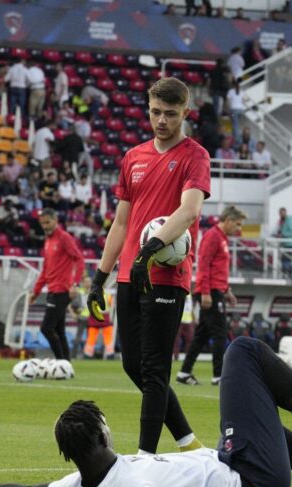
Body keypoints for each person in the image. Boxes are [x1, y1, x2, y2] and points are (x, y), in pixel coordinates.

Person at [0, 337, 292, 487]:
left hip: (232, 463)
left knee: (244, 429)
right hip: (252, 481)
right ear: (103, 435)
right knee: (244, 350)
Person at [87, 77, 211, 455]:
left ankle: (145, 457)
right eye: (155, 112)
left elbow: (189, 211)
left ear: (185, 113)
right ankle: (189, 442)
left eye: (170, 114)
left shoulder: (195, 156)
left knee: (155, 369)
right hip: (130, 273)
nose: (161, 120)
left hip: (167, 275)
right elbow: (121, 223)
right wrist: (99, 277)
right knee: (133, 365)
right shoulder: (133, 157)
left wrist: (150, 250)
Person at [177, 206, 247, 386]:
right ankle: (218, 376)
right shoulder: (213, 236)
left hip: (216, 291)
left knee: (201, 335)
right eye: (238, 224)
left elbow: (218, 269)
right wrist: (206, 292)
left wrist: (227, 290)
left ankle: (184, 372)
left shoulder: (222, 238)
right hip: (210, 292)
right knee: (220, 333)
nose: (238, 229)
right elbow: (204, 265)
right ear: (228, 220)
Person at [29, 208, 84, 360]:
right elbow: (45, 269)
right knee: (59, 331)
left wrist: (75, 284)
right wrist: (36, 292)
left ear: (56, 220)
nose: (45, 226)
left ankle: (61, 362)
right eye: (42, 223)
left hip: (62, 290)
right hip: (52, 290)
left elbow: (79, 259)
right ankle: (66, 364)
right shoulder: (48, 240)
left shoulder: (64, 238)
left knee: (46, 328)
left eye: (48, 222)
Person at [275, 207, 292, 279]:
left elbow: (291, 232)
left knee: (286, 259)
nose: (281, 215)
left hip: (290, 244)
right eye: (280, 213)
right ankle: (286, 273)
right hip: (284, 243)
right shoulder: (282, 221)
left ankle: (287, 273)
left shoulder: (289, 220)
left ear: (285, 212)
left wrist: (282, 235)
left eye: (282, 213)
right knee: (284, 259)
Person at [173, 293, 194, 361]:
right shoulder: (181, 294)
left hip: (189, 320)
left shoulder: (190, 296)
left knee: (190, 340)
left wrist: (193, 318)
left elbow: (191, 308)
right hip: (180, 320)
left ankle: (188, 357)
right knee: (176, 340)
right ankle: (176, 356)